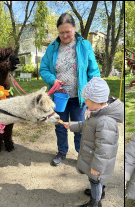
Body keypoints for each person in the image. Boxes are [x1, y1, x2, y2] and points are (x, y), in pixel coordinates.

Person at [39, 13, 100, 166]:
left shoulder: (84, 46)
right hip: (60, 97)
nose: (65, 35)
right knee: (60, 124)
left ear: (74, 28)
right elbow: (44, 68)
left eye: (68, 31)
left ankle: (81, 153)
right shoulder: (52, 48)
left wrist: (95, 92)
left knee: (80, 126)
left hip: (79, 96)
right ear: (58, 32)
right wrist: (53, 80)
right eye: (61, 32)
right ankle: (61, 151)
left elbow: (93, 71)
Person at [62, 77, 124, 207]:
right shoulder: (96, 113)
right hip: (93, 158)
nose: (85, 102)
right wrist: (71, 125)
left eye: (86, 100)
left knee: (95, 180)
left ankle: (95, 203)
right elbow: (86, 126)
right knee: (96, 180)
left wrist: (97, 167)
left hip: (98, 162)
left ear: (96, 101)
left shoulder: (105, 121)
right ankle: (99, 192)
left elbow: (104, 149)